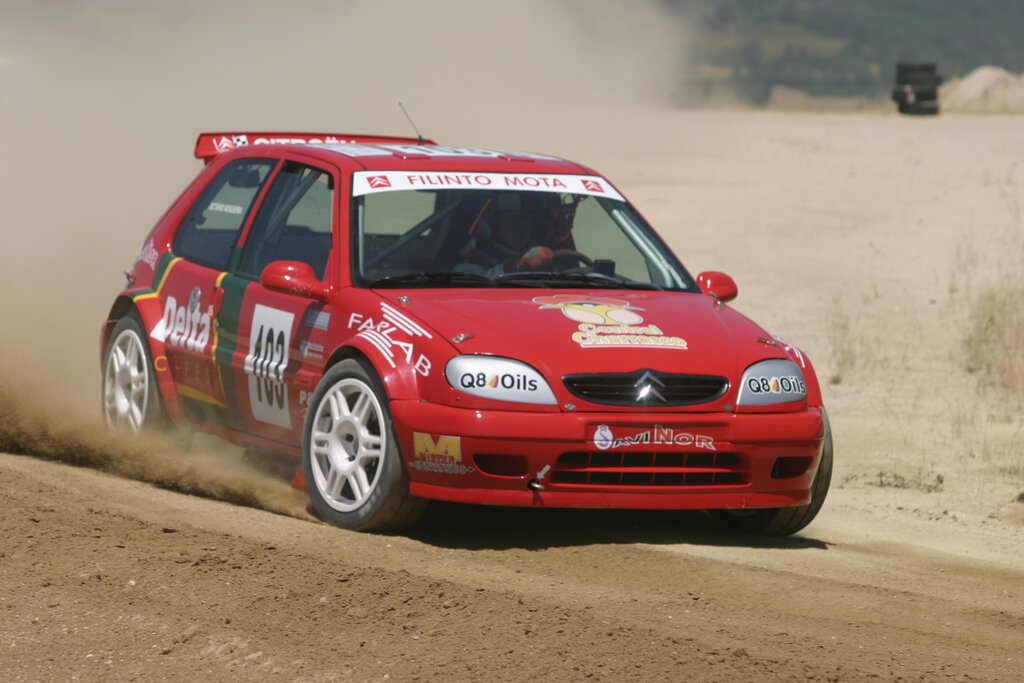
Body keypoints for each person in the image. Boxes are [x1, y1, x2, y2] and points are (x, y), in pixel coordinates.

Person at [454, 192, 554, 278]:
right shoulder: (469, 263)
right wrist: (516, 264)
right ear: (494, 223)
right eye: (511, 217)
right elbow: (480, 288)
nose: (520, 224)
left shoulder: (555, 257)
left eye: (526, 217)